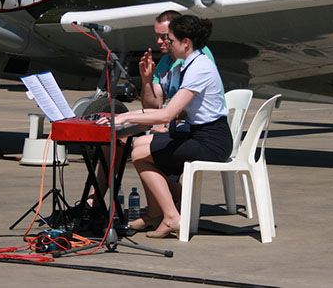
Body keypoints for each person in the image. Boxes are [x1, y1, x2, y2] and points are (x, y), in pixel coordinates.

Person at [97, 15, 232, 238]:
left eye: (169, 40)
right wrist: (125, 116)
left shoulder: (199, 68)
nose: (166, 45)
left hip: (211, 141)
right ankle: (159, 212)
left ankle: (170, 216)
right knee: (140, 144)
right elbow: (162, 108)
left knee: (140, 154)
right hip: (202, 135)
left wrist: (123, 119)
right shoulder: (192, 64)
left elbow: (167, 114)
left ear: (185, 42)